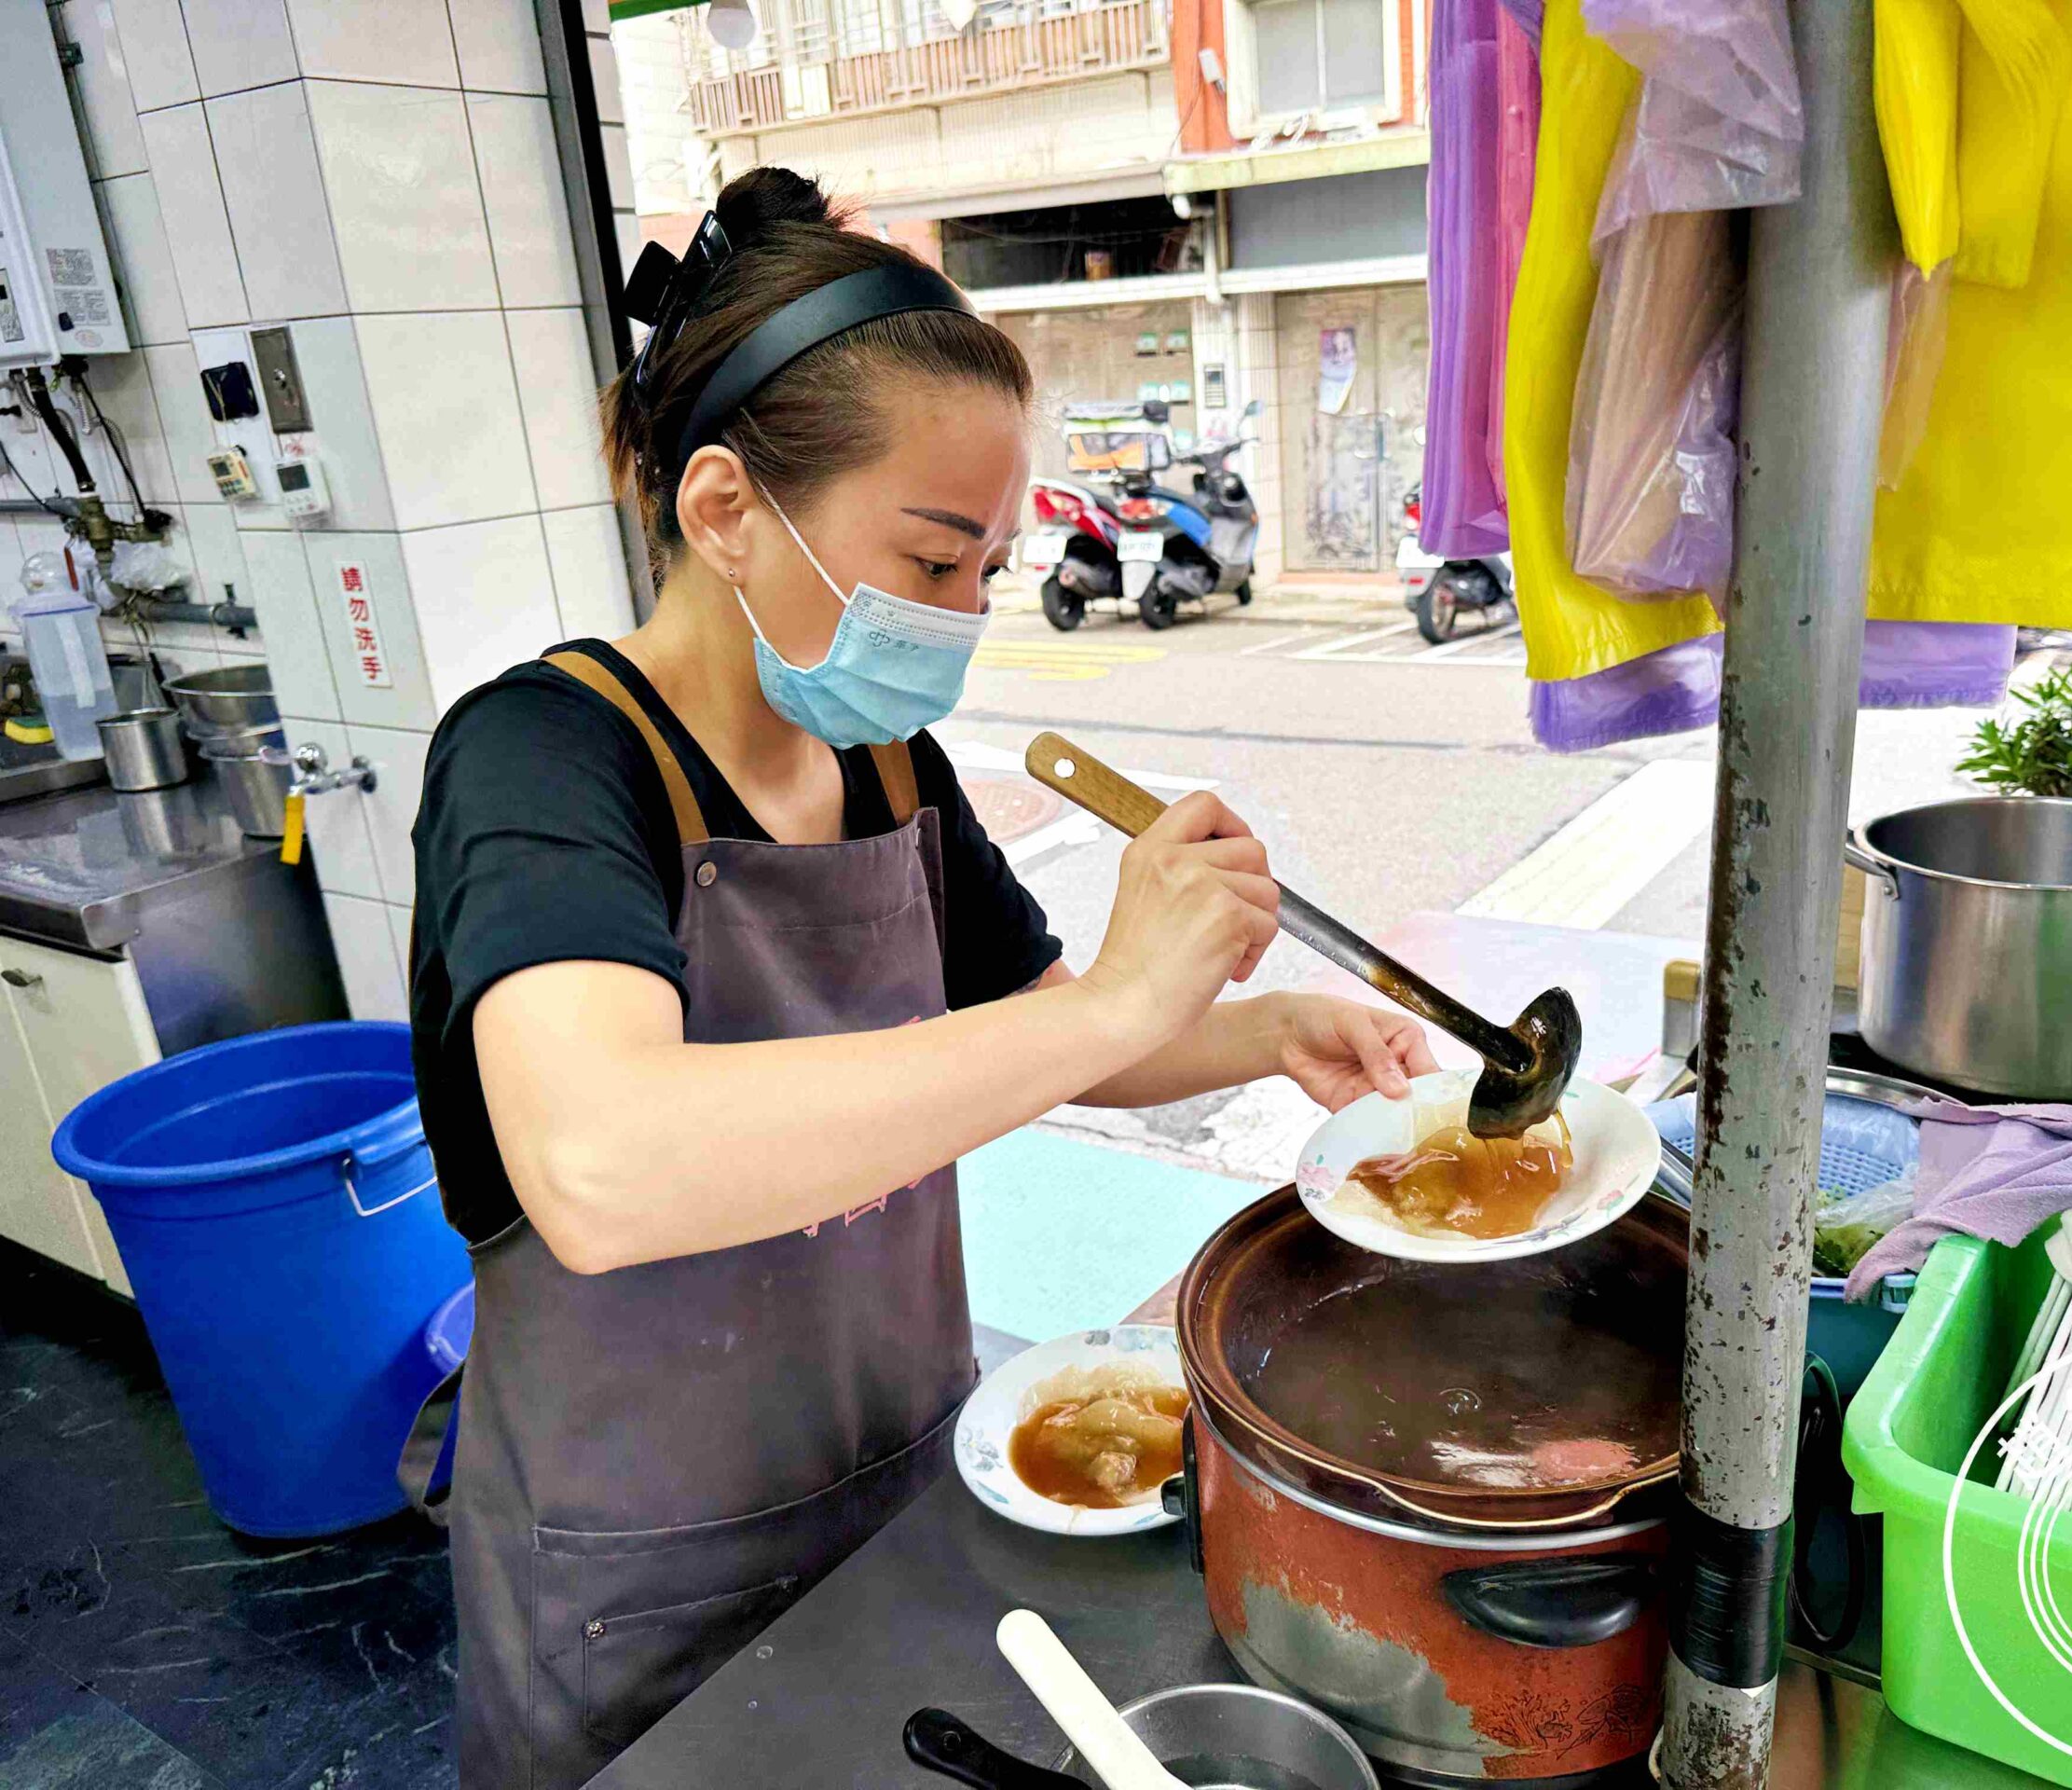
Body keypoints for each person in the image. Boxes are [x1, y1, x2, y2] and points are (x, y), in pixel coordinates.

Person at [405, 166, 1435, 1789]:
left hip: (903, 1488)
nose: (963, 618)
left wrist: (1251, 1027)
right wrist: (1119, 996)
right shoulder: (541, 760)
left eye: (987, 572)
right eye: (935, 560)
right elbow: (601, 1163)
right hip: (635, 1570)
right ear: (725, 510)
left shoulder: (885, 763)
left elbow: (1039, 1037)